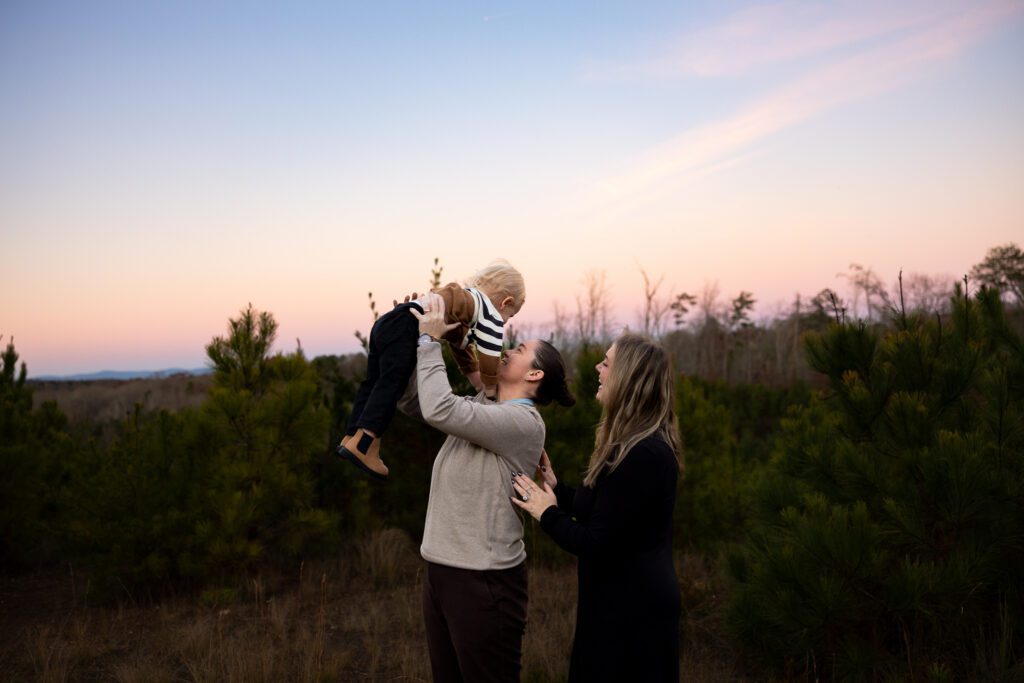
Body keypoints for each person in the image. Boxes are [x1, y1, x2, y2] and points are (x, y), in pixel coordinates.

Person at [405, 291, 576, 683]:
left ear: (534, 375)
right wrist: (408, 337)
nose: (508, 350)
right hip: (441, 569)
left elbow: (440, 408)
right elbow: (417, 404)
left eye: (520, 350)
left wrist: (429, 341)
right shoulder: (486, 404)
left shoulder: (524, 424)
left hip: (484, 580)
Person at [511, 333, 683, 682]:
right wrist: (558, 490)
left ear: (628, 379)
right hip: (614, 604)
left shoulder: (644, 453)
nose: (597, 368)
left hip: (635, 615)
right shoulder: (628, 444)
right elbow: (610, 510)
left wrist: (547, 513)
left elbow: (596, 542)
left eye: (606, 363)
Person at [338, 259, 526, 480]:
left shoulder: (464, 301)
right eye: (510, 315)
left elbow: (460, 345)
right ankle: (366, 444)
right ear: (505, 302)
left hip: (389, 320)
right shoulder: (489, 312)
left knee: (374, 382)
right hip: (407, 326)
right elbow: (490, 352)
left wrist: (476, 380)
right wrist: (491, 388)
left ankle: (351, 437)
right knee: (392, 384)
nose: (505, 321)